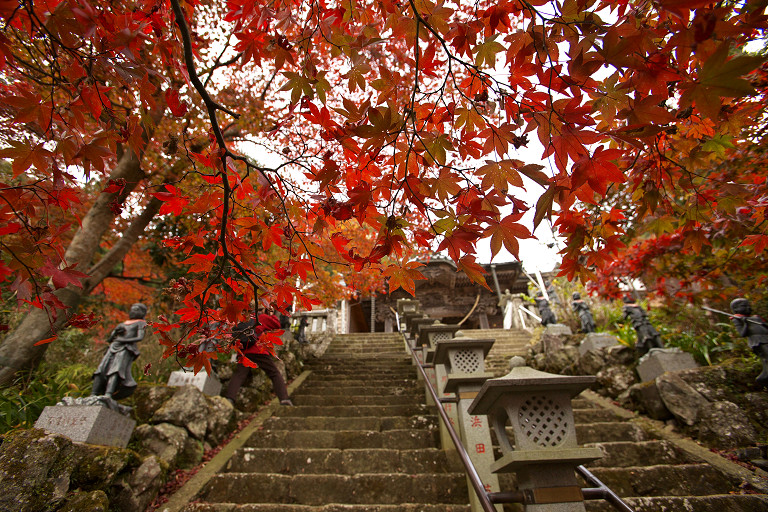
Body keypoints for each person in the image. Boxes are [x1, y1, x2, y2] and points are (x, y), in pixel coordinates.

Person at [223, 311, 293, 406]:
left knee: (239, 374)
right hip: (258, 350)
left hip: (244, 351)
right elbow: (277, 324)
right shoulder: (262, 317)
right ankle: (284, 398)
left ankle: (229, 398)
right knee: (274, 373)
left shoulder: (244, 319)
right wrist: (273, 314)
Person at [92, 303, 147, 400]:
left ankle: (108, 393)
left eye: (136, 310)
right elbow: (110, 339)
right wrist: (116, 332)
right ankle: (94, 393)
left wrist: (122, 340)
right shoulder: (122, 324)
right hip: (113, 347)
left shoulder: (141, 323)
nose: (132, 312)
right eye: (131, 309)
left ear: (142, 312)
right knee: (101, 369)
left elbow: (140, 337)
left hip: (126, 348)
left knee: (116, 370)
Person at [730, 298, 768, 386]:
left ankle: (765, 375)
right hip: (758, 341)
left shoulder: (756, 318)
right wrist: (745, 323)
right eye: (744, 306)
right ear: (735, 309)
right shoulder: (737, 319)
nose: (748, 308)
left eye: (748, 305)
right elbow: (742, 333)